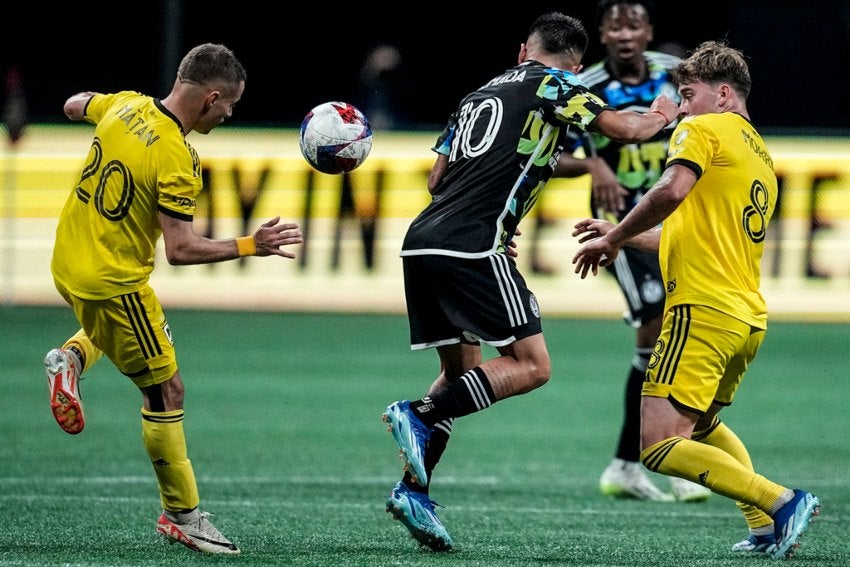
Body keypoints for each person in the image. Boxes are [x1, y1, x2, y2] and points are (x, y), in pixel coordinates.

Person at [381, 12, 680, 551]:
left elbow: (436, 178)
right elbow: (627, 129)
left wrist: (494, 212)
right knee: (532, 365)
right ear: (577, 66)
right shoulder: (556, 84)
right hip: (472, 245)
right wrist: (663, 110)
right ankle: (418, 414)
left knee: (459, 372)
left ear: (523, 49)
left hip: (422, 242)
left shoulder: (478, 94)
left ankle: (413, 492)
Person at [44, 43, 303, 555]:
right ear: (211, 98)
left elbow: (75, 104)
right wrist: (252, 245)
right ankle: (183, 515)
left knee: (120, 332)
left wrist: (96, 113)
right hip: (114, 283)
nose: (230, 114)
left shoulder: (128, 104)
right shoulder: (178, 157)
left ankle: (71, 358)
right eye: (230, 104)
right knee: (167, 391)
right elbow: (181, 249)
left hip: (67, 263)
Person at [572, 40, 820, 559]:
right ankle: (765, 527)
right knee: (702, 425)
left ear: (723, 94)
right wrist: (620, 236)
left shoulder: (702, 129)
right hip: (744, 318)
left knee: (659, 447)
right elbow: (684, 234)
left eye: (687, 94)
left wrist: (614, 236)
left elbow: (669, 191)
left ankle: (780, 501)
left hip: (700, 309)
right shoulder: (758, 153)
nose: (681, 107)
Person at [554, 0, 710, 503]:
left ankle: (635, 461)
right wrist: (590, 165)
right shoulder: (585, 85)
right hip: (621, 226)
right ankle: (667, 457)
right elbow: (546, 153)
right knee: (659, 326)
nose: (625, 35)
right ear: (602, 34)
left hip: (675, 218)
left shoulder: (675, 74)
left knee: (669, 336)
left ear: (648, 31)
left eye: (634, 25)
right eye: (615, 27)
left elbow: (709, 118)